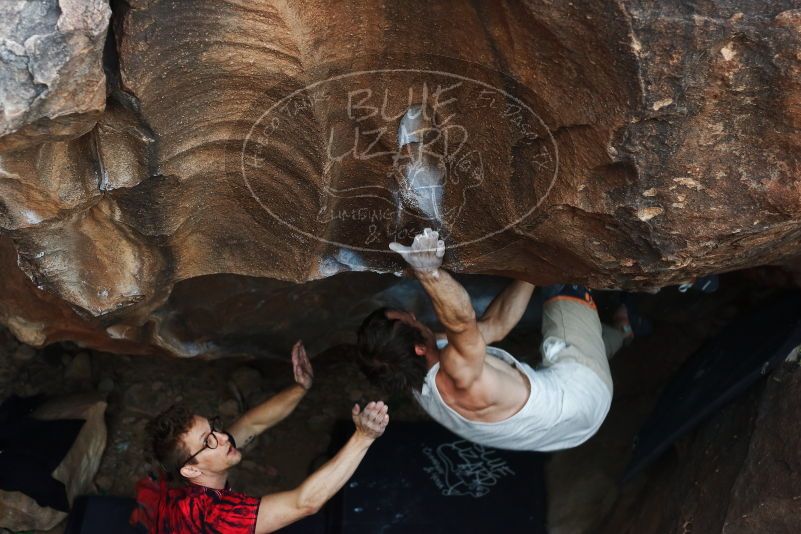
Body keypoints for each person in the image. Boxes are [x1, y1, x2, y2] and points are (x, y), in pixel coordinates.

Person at [357, 228, 628, 452]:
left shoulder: (409, 373)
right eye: (412, 319)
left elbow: (494, 327)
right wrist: (428, 273)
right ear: (418, 347)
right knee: (564, 275)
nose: (416, 316)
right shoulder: (457, 370)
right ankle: (622, 323)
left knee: (583, 334)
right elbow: (463, 322)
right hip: (581, 398)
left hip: (562, 436)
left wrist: (533, 270)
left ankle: (625, 330)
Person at [132, 341, 389, 533]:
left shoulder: (178, 468)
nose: (222, 438)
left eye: (214, 428)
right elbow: (305, 504)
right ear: (190, 469)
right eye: (208, 441)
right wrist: (363, 438)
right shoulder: (217, 517)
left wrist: (300, 388)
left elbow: (251, 424)